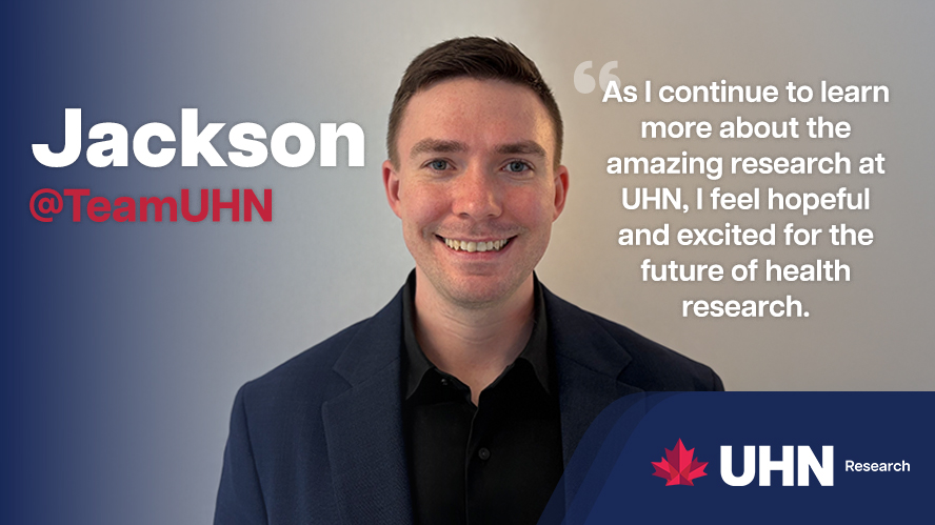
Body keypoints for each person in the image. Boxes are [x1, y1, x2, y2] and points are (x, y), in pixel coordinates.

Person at [214, 37, 723, 525]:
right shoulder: (271, 421)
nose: (478, 203)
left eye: (516, 164)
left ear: (556, 193)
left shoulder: (681, 401)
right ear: (395, 190)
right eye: (440, 163)